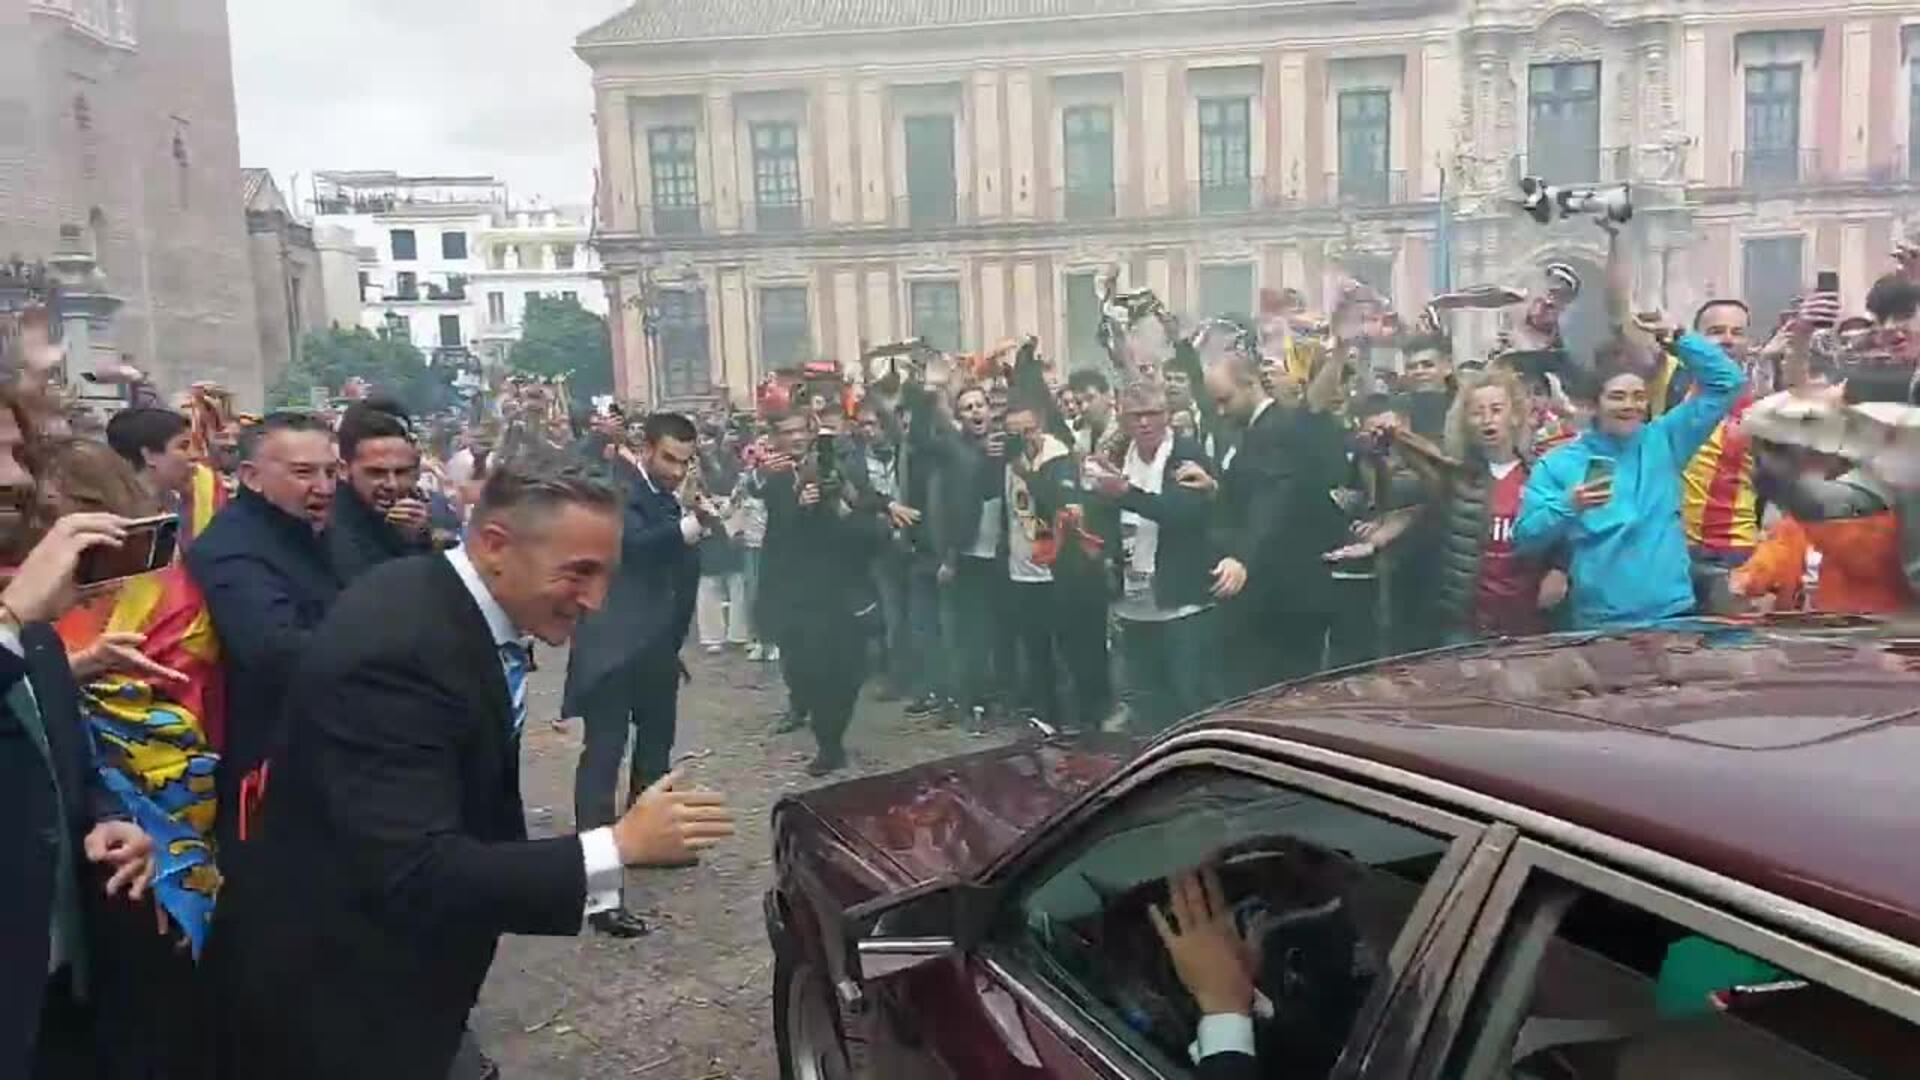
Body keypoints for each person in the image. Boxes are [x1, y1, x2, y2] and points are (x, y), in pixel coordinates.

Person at [214, 460, 736, 1079]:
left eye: (606, 576)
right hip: (339, 997)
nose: (595, 601)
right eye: (579, 573)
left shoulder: (440, 603)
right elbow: (416, 868)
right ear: (494, 546)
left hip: (391, 980)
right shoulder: (400, 651)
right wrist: (618, 845)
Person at [0, 390, 157, 1078]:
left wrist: (105, 819)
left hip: (59, 992)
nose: (18, 477)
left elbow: (65, 762)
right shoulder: (19, 611)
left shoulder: (30, 621)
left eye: (15, 451)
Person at [563, 412, 706, 938]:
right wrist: (689, 528)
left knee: (655, 753)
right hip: (612, 651)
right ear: (645, 448)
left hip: (655, 651)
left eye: (686, 461)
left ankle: (648, 843)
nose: (676, 470)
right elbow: (634, 549)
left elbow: (678, 576)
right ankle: (598, 888)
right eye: (669, 458)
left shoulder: (676, 493)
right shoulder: (615, 487)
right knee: (602, 761)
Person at [1515, 316, 1745, 628]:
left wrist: (1677, 337)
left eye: (1639, 397)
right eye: (1617, 397)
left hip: (1672, 615)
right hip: (1600, 622)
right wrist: (1569, 506)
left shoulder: (1665, 440)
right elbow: (1526, 536)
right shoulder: (1558, 463)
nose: (1630, 406)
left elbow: (1727, 382)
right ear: (1594, 404)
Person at [184, 411, 340, 855]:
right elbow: (275, 651)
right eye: (304, 473)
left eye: (331, 472)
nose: (324, 487)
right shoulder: (233, 549)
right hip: (271, 769)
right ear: (251, 477)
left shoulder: (317, 532)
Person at [1200, 336, 1350, 693]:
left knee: (1282, 695)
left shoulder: (1276, 429)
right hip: (1273, 594)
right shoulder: (1256, 430)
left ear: (1250, 384)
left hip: (1285, 597)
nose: (1220, 411)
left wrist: (1242, 557)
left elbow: (1272, 499)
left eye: (1225, 400)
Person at [1087, 381, 1221, 732]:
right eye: (1136, 416)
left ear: (1167, 417)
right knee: (1144, 699)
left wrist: (1126, 493)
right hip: (1132, 600)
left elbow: (1181, 512)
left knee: (1189, 696)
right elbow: (1103, 511)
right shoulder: (1117, 455)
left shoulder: (1186, 455)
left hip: (1180, 600)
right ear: (1123, 419)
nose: (1145, 423)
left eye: (1153, 414)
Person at [757, 409, 884, 774]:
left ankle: (834, 731)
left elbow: (866, 507)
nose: (796, 438)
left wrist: (849, 503)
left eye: (801, 430)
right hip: (801, 594)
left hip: (843, 586)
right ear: (777, 438)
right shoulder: (778, 480)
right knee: (809, 669)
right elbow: (777, 540)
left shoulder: (839, 466)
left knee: (848, 671)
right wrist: (799, 508)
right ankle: (828, 743)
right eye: (787, 431)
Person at [329, 398, 433, 583]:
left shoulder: (424, 515)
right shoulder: (330, 528)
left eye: (401, 472)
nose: (391, 484)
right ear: (344, 470)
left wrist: (418, 538)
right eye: (376, 473)